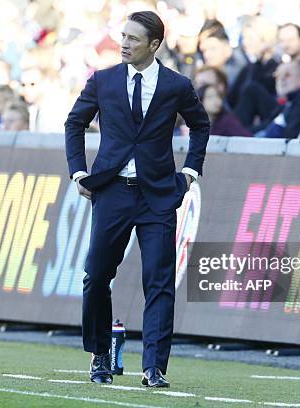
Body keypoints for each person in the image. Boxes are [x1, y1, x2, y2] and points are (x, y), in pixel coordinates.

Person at [64, 11, 209, 388]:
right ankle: (100, 356)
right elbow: (74, 122)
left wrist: (191, 171)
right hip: (111, 192)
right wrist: (78, 171)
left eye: (133, 39)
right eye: (122, 37)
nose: (124, 44)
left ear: (154, 45)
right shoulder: (103, 80)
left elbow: (200, 124)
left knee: (159, 282)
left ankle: (154, 368)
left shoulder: (176, 86)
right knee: (96, 276)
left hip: (157, 196)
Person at [254, 61, 300, 139]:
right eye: (278, 75)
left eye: (287, 75)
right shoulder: (288, 103)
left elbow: (288, 137)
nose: (281, 79)